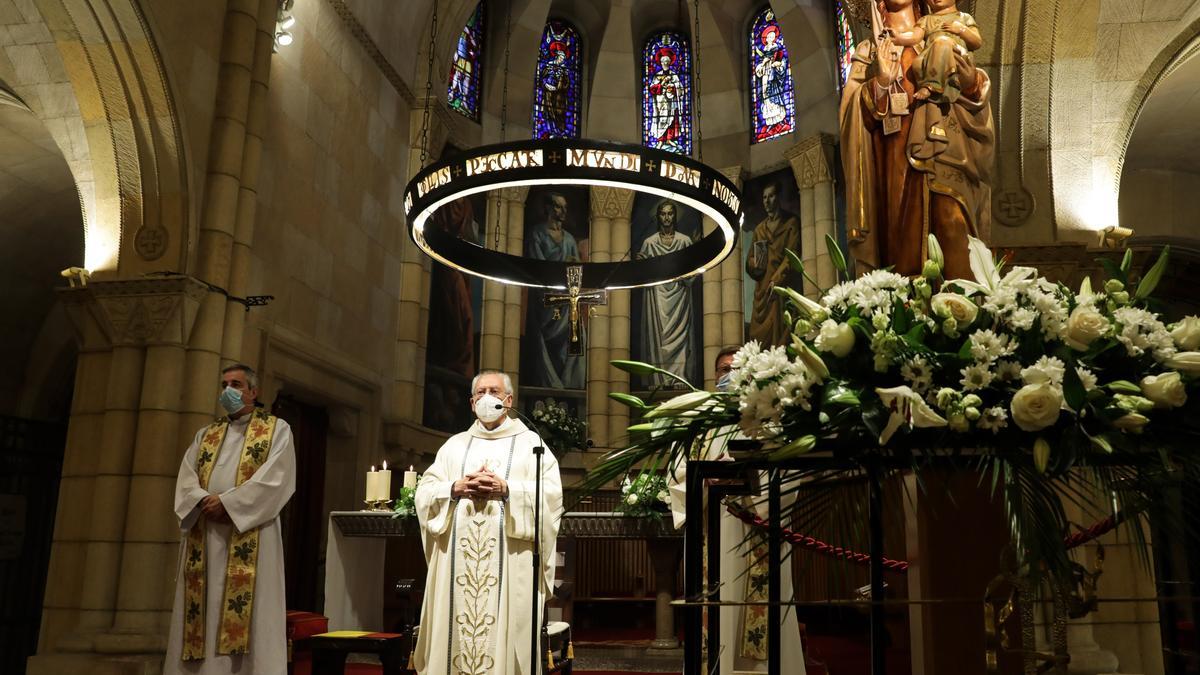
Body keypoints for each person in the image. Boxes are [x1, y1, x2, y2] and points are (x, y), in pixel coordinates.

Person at [414, 370, 564, 674]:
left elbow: (551, 497)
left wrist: (507, 489)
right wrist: (454, 489)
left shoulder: (532, 445)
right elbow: (425, 492)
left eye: (494, 391)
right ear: (471, 403)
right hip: (457, 568)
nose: (487, 398)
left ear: (508, 400)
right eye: (480, 392)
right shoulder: (454, 446)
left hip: (510, 565)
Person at [668, 348, 807, 674]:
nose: (727, 375)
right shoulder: (698, 423)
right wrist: (704, 481)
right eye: (722, 370)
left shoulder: (772, 419)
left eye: (735, 369)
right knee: (714, 621)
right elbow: (677, 477)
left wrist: (752, 483)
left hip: (757, 535)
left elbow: (791, 476)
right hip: (710, 536)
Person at [839, 0, 994, 279]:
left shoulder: (939, 36)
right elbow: (851, 117)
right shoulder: (870, 50)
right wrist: (881, 83)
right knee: (904, 248)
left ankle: (969, 311)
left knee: (953, 225)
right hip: (895, 162)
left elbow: (972, 92)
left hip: (947, 150)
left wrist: (971, 83)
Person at [164, 364, 296, 674]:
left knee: (248, 615)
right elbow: (186, 478)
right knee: (203, 611)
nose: (228, 391)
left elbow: (277, 479)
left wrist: (230, 504)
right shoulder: (206, 435)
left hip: (250, 533)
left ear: (253, 391)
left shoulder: (277, 430)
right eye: (224, 384)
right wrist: (201, 501)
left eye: (236, 384)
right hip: (206, 535)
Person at [525, 192, 586, 389]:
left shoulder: (568, 239)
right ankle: (547, 382)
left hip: (567, 302)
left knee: (571, 340)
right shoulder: (537, 234)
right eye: (559, 206)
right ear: (548, 208)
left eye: (565, 207)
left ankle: (568, 383)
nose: (563, 211)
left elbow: (576, 271)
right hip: (546, 299)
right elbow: (537, 268)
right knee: (545, 345)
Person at [636, 200, 694, 386]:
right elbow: (641, 276)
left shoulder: (685, 241)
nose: (667, 217)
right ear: (658, 216)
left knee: (681, 336)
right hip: (656, 298)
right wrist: (641, 265)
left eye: (670, 214)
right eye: (663, 214)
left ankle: (680, 377)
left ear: (675, 216)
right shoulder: (649, 243)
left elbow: (693, 273)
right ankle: (658, 378)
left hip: (680, 298)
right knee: (657, 336)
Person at [888, 0, 982, 104]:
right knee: (918, 61)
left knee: (942, 42)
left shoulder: (963, 17)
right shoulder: (926, 20)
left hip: (956, 56)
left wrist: (962, 30)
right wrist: (898, 38)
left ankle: (931, 85)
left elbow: (976, 42)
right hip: (932, 58)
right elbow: (914, 36)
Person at [745, 180, 803, 347]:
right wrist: (753, 263)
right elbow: (750, 260)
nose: (767, 201)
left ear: (778, 198)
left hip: (782, 288)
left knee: (782, 333)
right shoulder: (759, 229)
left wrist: (776, 280)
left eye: (771, 196)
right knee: (759, 339)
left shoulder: (791, 223)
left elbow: (792, 256)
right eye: (764, 197)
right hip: (762, 290)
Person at [753, 23, 792, 140]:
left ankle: (780, 123)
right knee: (765, 96)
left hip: (774, 78)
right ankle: (770, 124)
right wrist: (763, 64)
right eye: (769, 37)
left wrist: (778, 65)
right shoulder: (764, 53)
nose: (770, 38)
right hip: (766, 76)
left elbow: (782, 63)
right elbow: (758, 70)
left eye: (772, 36)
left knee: (775, 96)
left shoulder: (778, 50)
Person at [647, 46, 685, 152]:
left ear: (669, 62)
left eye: (667, 61)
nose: (665, 63)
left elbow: (680, 89)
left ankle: (669, 139)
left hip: (671, 102)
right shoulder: (657, 76)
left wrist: (673, 88)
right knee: (661, 120)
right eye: (663, 61)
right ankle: (660, 141)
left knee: (672, 120)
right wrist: (662, 85)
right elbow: (652, 89)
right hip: (660, 104)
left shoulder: (674, 75)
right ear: (661, 62)